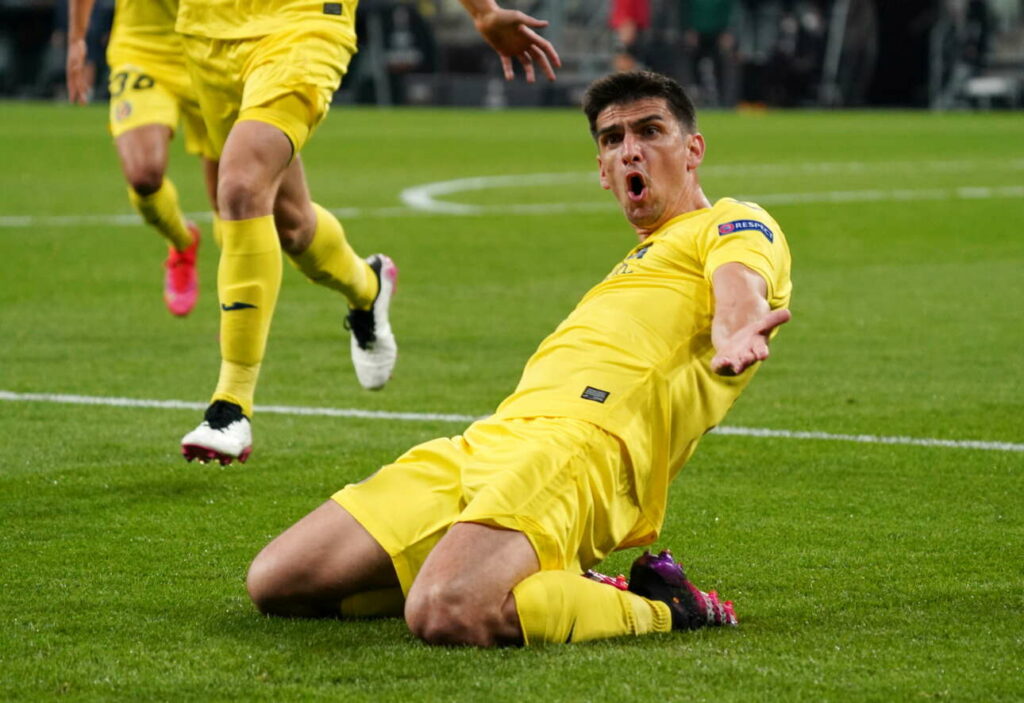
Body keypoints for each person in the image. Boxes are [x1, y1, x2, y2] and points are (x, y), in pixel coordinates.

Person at [244, 71, 792, 646]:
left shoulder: (731, 222)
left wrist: (736, 332)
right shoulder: (642, 259)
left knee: (446, 612)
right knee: (278, 582)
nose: (630, 149)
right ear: (602, 171)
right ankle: (512, 572)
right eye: (613, 139)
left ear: (693, 149)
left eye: (650, 131)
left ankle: (666, 607)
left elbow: (739, 285)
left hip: (582, 447)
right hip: (494, 438)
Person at [177, 0, 562, 465]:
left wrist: (481, 11)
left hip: (301, 24)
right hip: (206, 33)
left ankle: (230, 406)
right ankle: (368, 285)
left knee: (240, 188)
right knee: (290, 224)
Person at [67, 0, 219, 317]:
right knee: (143, 175)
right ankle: (182, 241)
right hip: (142, 49)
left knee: (233, 197)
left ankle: (238, 317)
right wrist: (77, 38)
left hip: (215, 50)